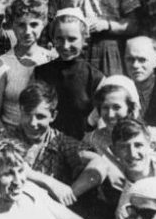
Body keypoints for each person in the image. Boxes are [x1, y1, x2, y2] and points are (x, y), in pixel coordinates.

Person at [2, 82, 113, 219]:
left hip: (49, 217)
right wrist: (50, 182)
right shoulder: (7, 139)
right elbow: (6, 163)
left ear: (53, 116)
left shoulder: (60, 141)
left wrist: (70, 193)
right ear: (20, 111)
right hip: (12, 213)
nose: (33, 123)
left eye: (40, 116)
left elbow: (100, 164)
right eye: (27, 114)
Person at [0, 0, 56, 135]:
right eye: (21, 25)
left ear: (44, 24)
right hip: (10, 133)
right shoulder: (3, 62)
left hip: (41, 135)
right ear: (12, 25)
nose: (27, 31)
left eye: (34, 24)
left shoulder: (51, 59)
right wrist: (10, 141)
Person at [35, 8, 104, 139]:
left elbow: (98, 121)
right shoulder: (42, 73)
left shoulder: (95, 78)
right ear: (53, 39)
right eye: (59, 39)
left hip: (81, 143)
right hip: (46, 142)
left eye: (72, 39)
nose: (65, 46)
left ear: (84, 39)